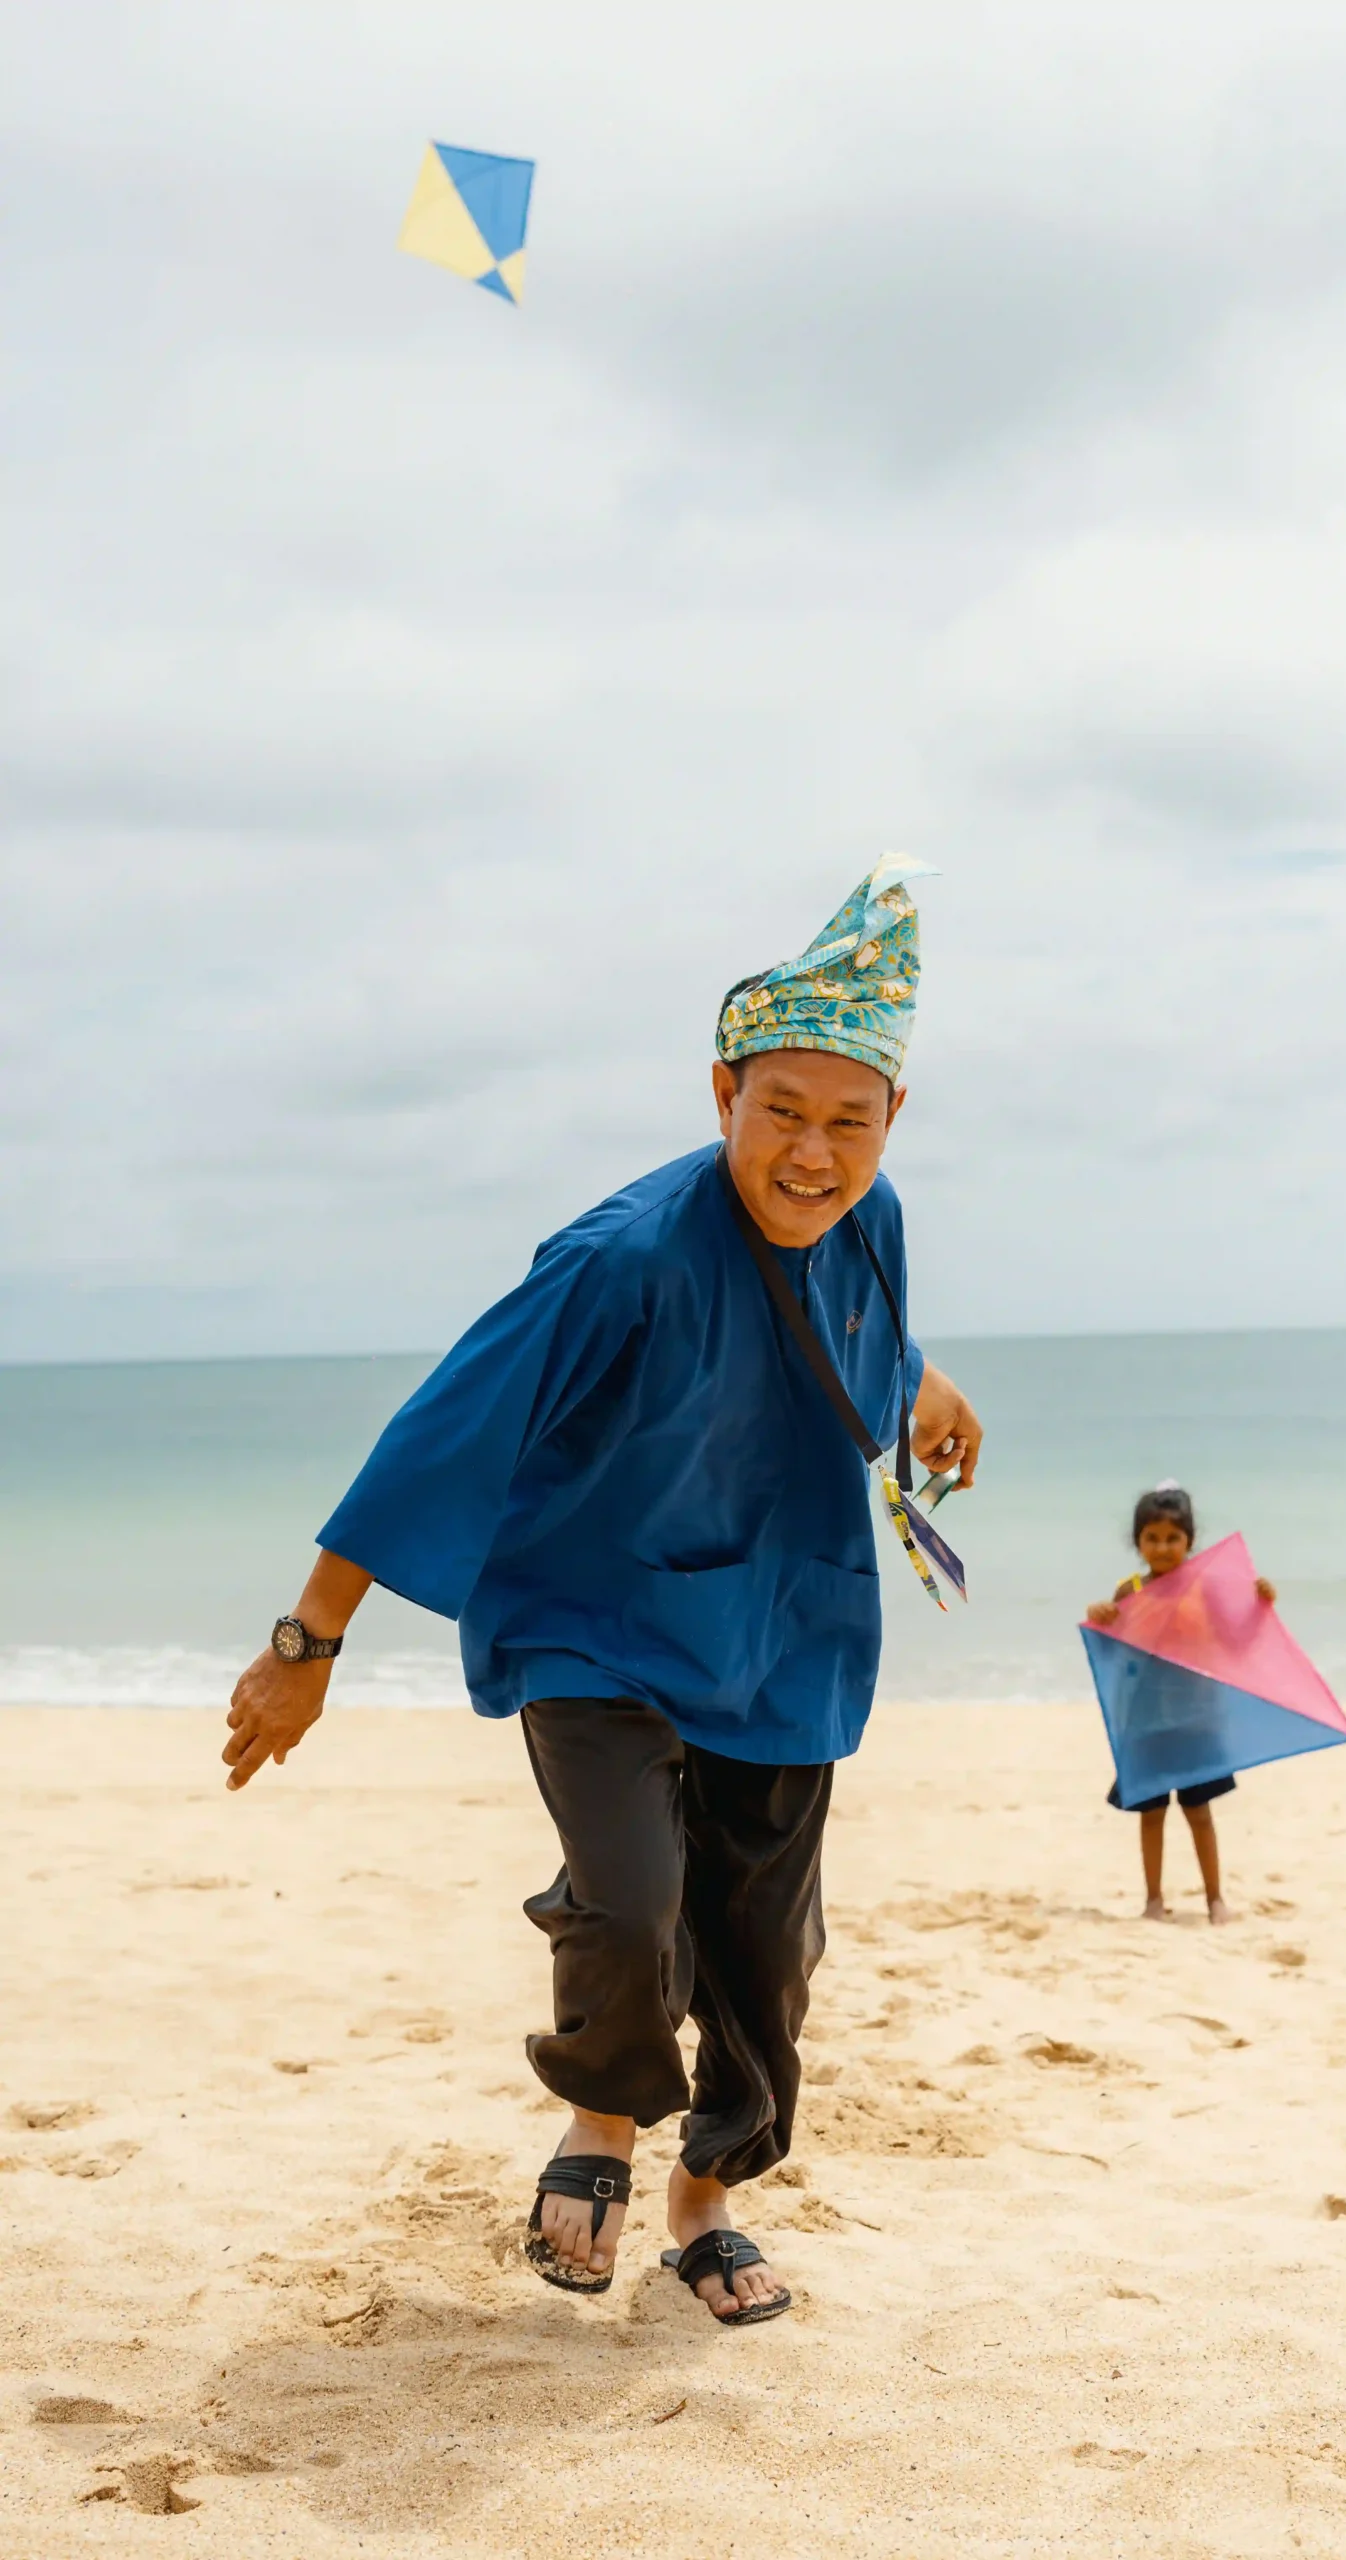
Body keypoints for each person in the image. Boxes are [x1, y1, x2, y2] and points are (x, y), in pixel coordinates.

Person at [222, 856, 982, 2328]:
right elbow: (443, 1432)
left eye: (848, 1120)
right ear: (719, 1095)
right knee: (633, 1911)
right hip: (598, 1623)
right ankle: (602, 2122)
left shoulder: (868, 1217)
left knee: (766, 1952)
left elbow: (852, 1329)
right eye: (782, 1112)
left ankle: (706, 2199)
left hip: (780, 1623)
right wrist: (305, 1640)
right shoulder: (619, 1258)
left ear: (894, 1120)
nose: (812, 1153)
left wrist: (926, 1384)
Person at [1084, 1482, 1274, 1928]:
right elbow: (1113, 1652)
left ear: (1190, 1540)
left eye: (1172, 1538)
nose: (1163, 1547)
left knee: (1200, 1814)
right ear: (1138, 1542)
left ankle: (1215, 1900)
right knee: (1150, 1816)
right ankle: (1153, 1900)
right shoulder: (1128, 1590)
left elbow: (1234, 1640)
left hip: (1196, 1720)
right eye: (1152, 1538)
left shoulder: (1204, 1589)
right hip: (1147, 1721)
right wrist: (1100, 1617)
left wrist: (1260, 1604)